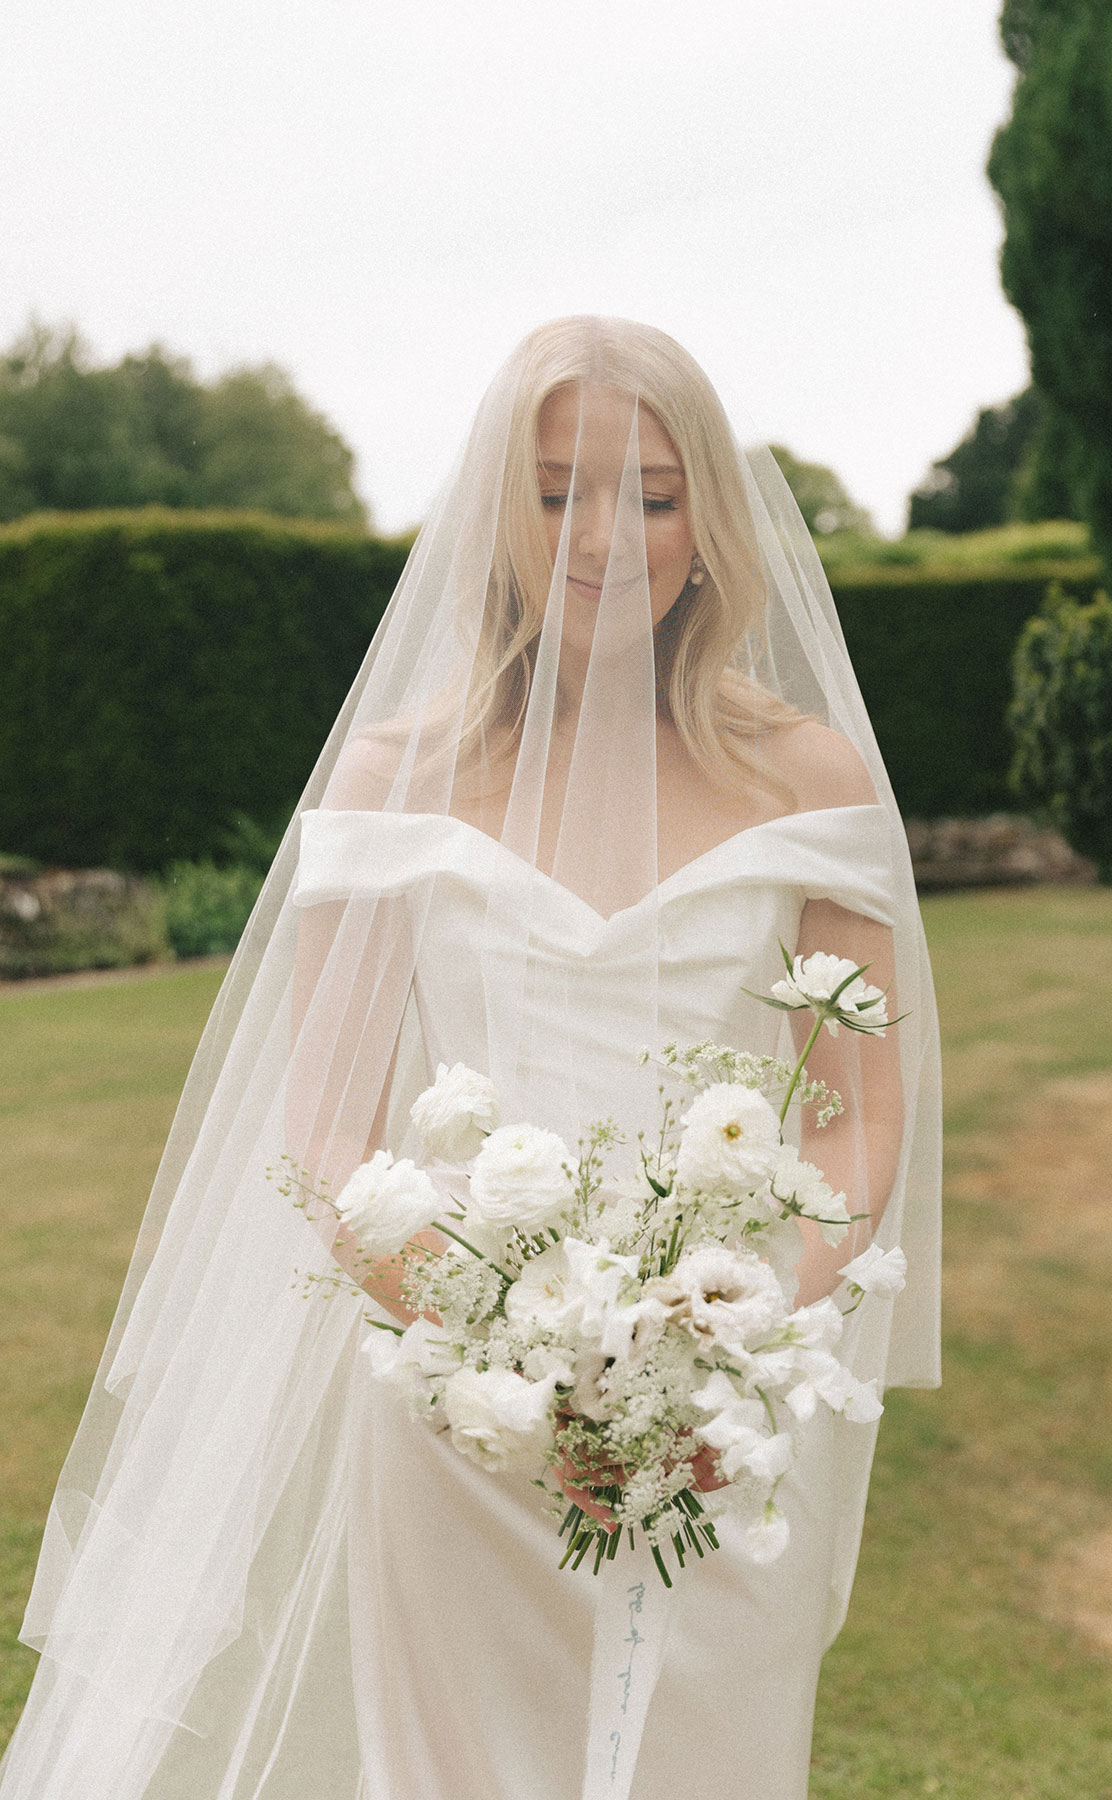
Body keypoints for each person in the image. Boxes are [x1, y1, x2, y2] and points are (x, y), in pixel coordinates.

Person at [0, 317, 941, 1800]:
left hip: (718, 1416)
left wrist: (719, 1343)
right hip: (459, 1420)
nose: (607, 538)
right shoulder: (394, 778)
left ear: (712, 520)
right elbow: (324, 1129)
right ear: (497, 513)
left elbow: (858, 1127)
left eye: (652, 494)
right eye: (560, 491)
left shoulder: (806, 778)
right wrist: (513, 1356)